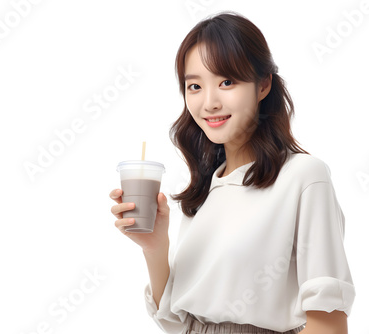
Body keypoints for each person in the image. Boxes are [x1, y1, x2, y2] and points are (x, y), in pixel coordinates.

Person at [110, 11, 355, 334]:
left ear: (263, 84)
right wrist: (155, 248)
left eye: (227, 81)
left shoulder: (304, 177)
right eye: (194, 86)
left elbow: (328, 323)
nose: (209, 102)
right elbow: (178, 323)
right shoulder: (206, 189)